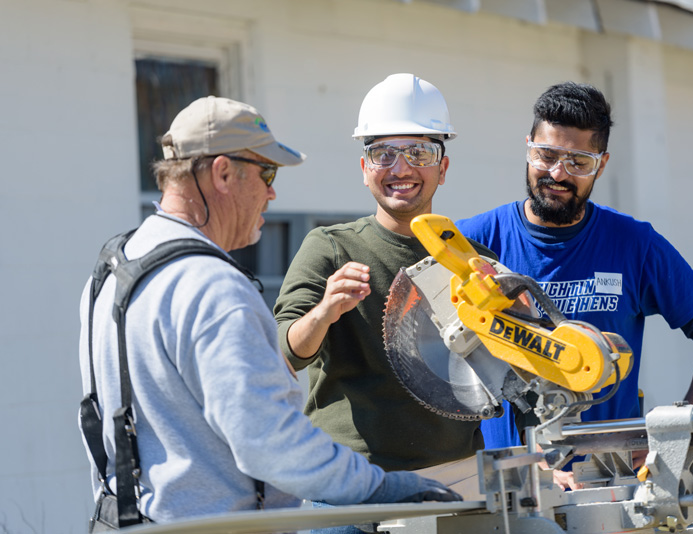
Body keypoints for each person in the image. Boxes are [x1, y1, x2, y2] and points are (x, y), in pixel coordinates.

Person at [78, 95, 460, 528]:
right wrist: (385, 489)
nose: (272, 192)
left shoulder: (116, 268)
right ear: (223, 173)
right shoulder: (211, 286)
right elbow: (270, 441)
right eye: (267, 173)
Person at [457, 82, 693, 463]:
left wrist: (677, 432)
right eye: (545, 155)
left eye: (578, 162)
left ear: (602, 164)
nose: (557, 174)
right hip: (510, 485)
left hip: (608, 485)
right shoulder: (472, 243)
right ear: (527, 147)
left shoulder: (634, 245)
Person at [273, 74, 495, 490]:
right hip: (351, 479)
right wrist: (323, 313)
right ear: (364, 169)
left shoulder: (475, 262)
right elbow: (285, 353)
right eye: (383, 154)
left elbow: (510, 376)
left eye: (419, 151)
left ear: (442, 168)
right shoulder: (330, 248)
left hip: (458, 477)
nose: (401, 168)